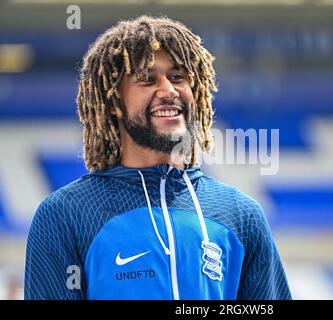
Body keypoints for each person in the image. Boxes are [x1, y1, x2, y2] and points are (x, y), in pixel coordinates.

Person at [24, 15, 292, 300]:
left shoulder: (241, 215)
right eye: (147, 79)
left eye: (178, 77)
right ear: (114, 102)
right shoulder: (66, 215)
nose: (168, 90)